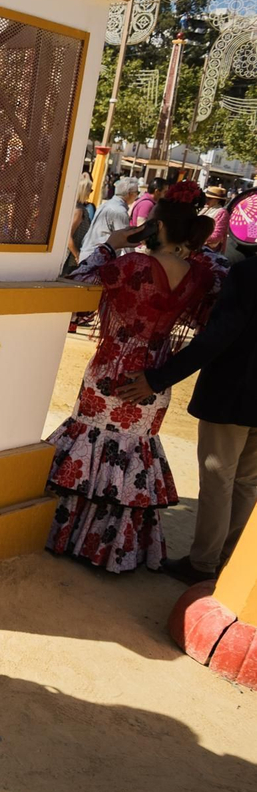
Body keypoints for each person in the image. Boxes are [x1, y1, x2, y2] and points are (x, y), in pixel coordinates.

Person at [48, 181, 226, 573]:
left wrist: (113, 243)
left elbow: (78, 283)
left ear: (155, 227)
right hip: (156, 377)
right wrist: (190, 247)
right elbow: (220, 276)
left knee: (93, 442)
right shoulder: (200, 276)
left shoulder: (130, 266)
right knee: (132, 453)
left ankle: (68, 534)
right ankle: (114, 549)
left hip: (111, 371)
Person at [117, 229, 256, 582]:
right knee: (247, 483)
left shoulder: (248, 274)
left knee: (219, 479)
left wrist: (160, 377)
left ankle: (203, 564)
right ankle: (226, 563)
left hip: (233, 394)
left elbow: (218, 337)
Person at [79, 176, 138, 258]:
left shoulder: (106, 204)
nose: (137, 196)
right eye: (137, 193)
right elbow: (125, 240)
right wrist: (134, 260)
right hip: (98, 257)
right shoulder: (119, 211)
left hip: (89, 253)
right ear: (130, 193)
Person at [65, 180, 97, 276]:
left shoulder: (73, 207)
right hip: (71, 257)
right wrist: (77, 255)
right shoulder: (79, 210)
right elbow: (68, 237)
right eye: (89, 190)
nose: (90, 193)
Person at [203, 184, 230, 254]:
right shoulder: (205, 209)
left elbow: (217, 235)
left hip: (209, 250)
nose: (206, 200)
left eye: (210, 198)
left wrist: (199, 238)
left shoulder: (222, 212)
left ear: (217, 200)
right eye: (206, 198)